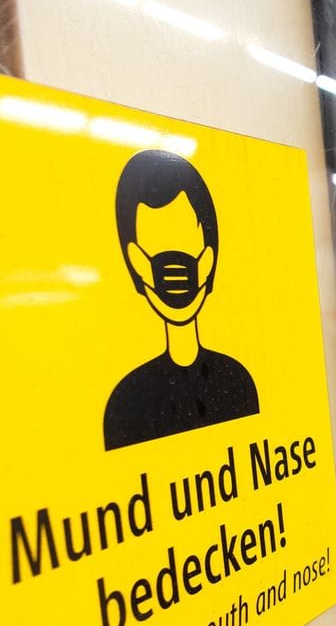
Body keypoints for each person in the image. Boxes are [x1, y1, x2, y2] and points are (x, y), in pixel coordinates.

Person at [104, 150, 259, 450]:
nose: (175, 275)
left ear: (209, 258)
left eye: (188, 255)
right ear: (135, 262)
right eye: (157, 258)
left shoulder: (237, 383)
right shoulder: (126, 404)